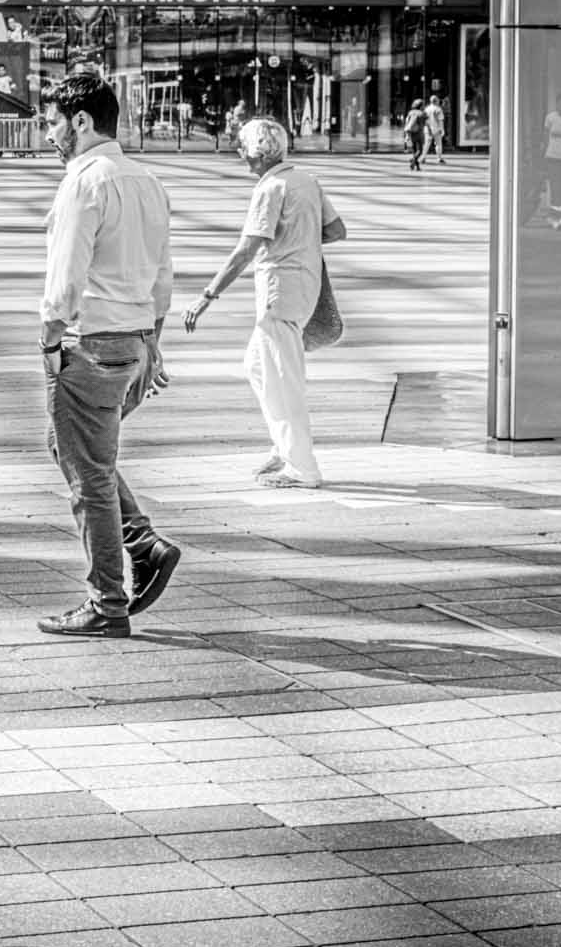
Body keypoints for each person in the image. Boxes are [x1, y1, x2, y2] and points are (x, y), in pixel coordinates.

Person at [33, 71, 181, 639]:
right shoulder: (148, 181)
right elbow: (163, 277)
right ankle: (142, 542)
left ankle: (107, 601)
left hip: (89, 342)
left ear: (80, 122)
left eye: (52, 124)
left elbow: (65, 279)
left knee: (87, 477)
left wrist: (49, 342)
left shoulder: (83, 181)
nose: (48, 136)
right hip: (135, 342)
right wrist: (153, 339)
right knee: (74, 448)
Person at [183, 117, 346, 490]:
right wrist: (301, 236)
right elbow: (337, 231)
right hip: (304, 287)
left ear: (259, 153)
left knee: (284, 379)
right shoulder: (306, 180)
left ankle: (302, 467)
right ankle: (283, 447)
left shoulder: (270, 188)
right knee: (257, 366)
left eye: (244, 149)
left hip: (279, 294)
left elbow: (245, 251)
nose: (241, 156)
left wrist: (206, 297)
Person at [531, 92, 561, 228]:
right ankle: (555, 217)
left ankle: (558, 215)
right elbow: (545, 137)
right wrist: (543, 154)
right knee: (555, 186)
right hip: (552, 156)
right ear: (557, 104)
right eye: (560, 104)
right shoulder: (550, 117)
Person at [402, 102, 429, 171]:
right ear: (421, 106)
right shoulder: (422, 113)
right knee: (420, 150)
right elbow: (426, 123)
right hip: (419, 133)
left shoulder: (410, 112)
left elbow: (407, 121)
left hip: (412, 133)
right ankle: (413, 160)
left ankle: (417, 166)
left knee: (414, 150)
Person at [424, 94, 448, 165]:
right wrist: (442, 129)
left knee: (426, 144)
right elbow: (440, 120)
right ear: (436, 101)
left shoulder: (426, 109)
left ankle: (423, 157)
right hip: (436, 129)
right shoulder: (438, 109)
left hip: (428, 129)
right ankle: (439, 158)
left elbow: (425, 119)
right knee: (438, 144)